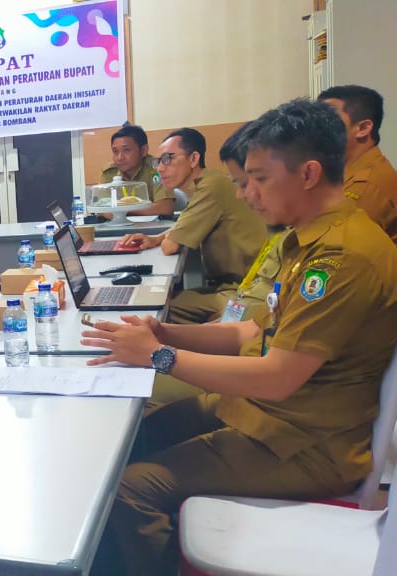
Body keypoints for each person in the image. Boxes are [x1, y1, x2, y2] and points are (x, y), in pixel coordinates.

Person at [85, 98, 397, 576]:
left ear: (308, 173)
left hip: (305, 443)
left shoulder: (340, 257)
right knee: (134, 436)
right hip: (266, 415)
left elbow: (277, 377)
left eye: (259, 179)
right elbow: (253, 330)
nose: (248, 195)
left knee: (131, 488)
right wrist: (165, 332)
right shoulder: (306, 238)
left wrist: (160, 356)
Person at [121, 128, 266, 324]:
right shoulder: (207, 182)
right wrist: (156, 239)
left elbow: (170, 246)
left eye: (168, 159)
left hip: (246, 290)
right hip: (236, 284)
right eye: (158, 161)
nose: (160, 168)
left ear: (193, 159)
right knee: (160, 299)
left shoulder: (210, 187)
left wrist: (164, 240)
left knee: (156, 307)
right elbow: (182, 227)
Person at [319, 85, 397, 242]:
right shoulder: (345, 172)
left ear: (363, 128)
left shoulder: (367, 186)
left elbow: (332, 245)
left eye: (327, 121)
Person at [100, 124, 171, 217]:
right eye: (115, 151)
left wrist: (122, 210)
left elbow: (165, 208)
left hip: (152, 224)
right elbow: (101, 208)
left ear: (143, 150)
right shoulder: (109, 173)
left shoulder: (157, 169)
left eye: (126, 150)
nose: (120, 157)